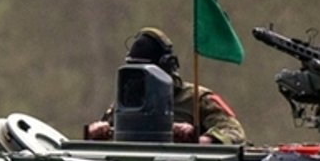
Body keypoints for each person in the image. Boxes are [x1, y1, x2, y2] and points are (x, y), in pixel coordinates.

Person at [84, 28, 248, 145]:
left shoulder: (197, 99)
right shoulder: (127, 103)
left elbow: (235, 134)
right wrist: (94, 133)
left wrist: (200, 139)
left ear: (165, 67)